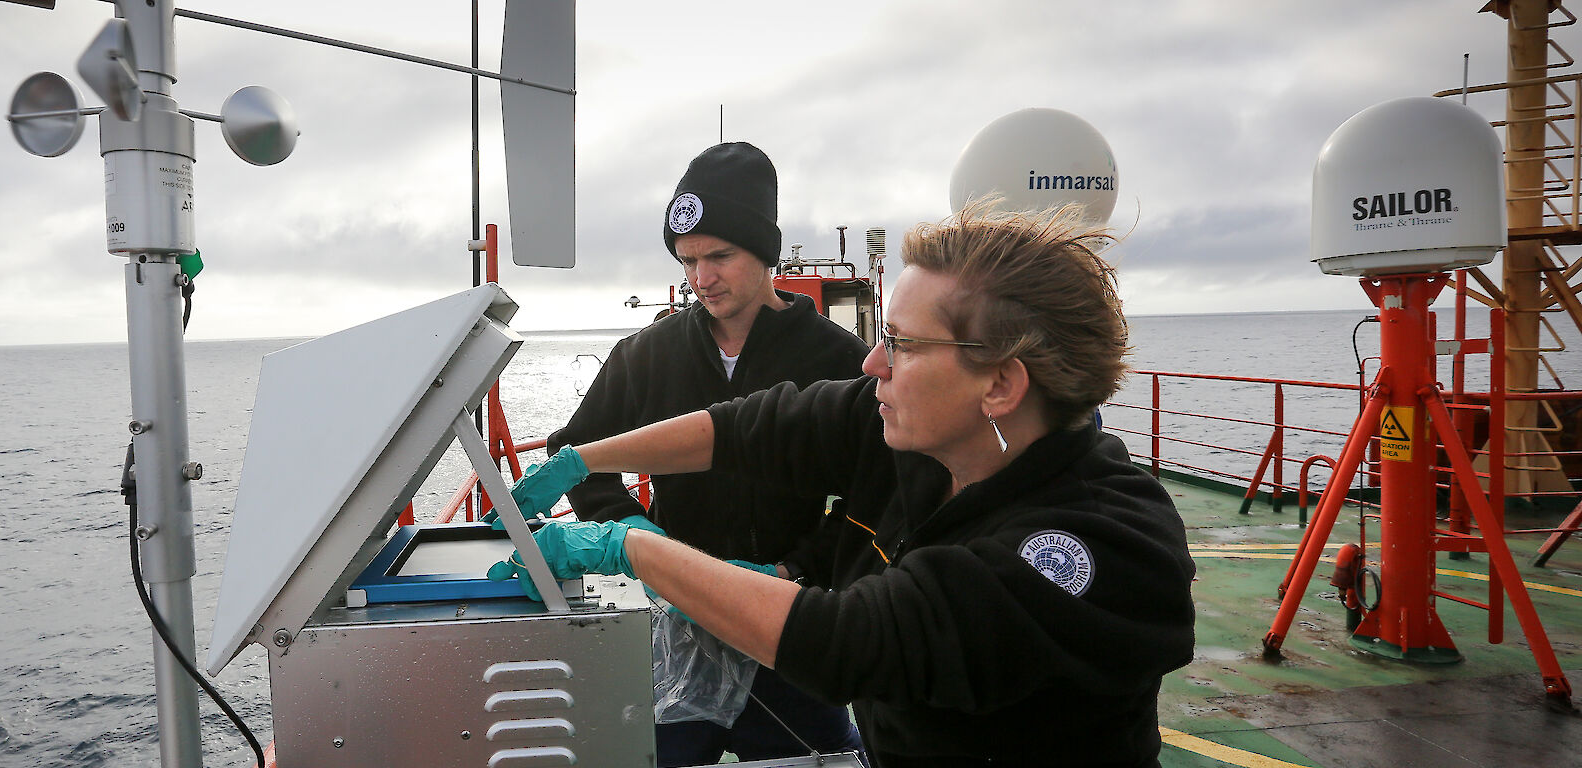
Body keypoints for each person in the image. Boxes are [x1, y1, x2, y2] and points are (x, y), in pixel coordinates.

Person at [490, 201, 1197, 767]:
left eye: (905, 346)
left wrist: (628, 548)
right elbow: (751, 427)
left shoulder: (1095, 545)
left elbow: (851, 644)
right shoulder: (917, 435)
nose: (872, 365)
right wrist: (582, 459)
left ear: (1002, 384)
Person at [517, 141, 871, 766]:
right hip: (682, 621)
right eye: (687, 261)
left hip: (792, 619)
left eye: (719, 256)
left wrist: (799, 568)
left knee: (814, 753)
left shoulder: (839, 361)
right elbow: (574, 446)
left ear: (767, 251)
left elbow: (870, 494)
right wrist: (638, 536)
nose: (701, 279)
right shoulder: (647, 354)